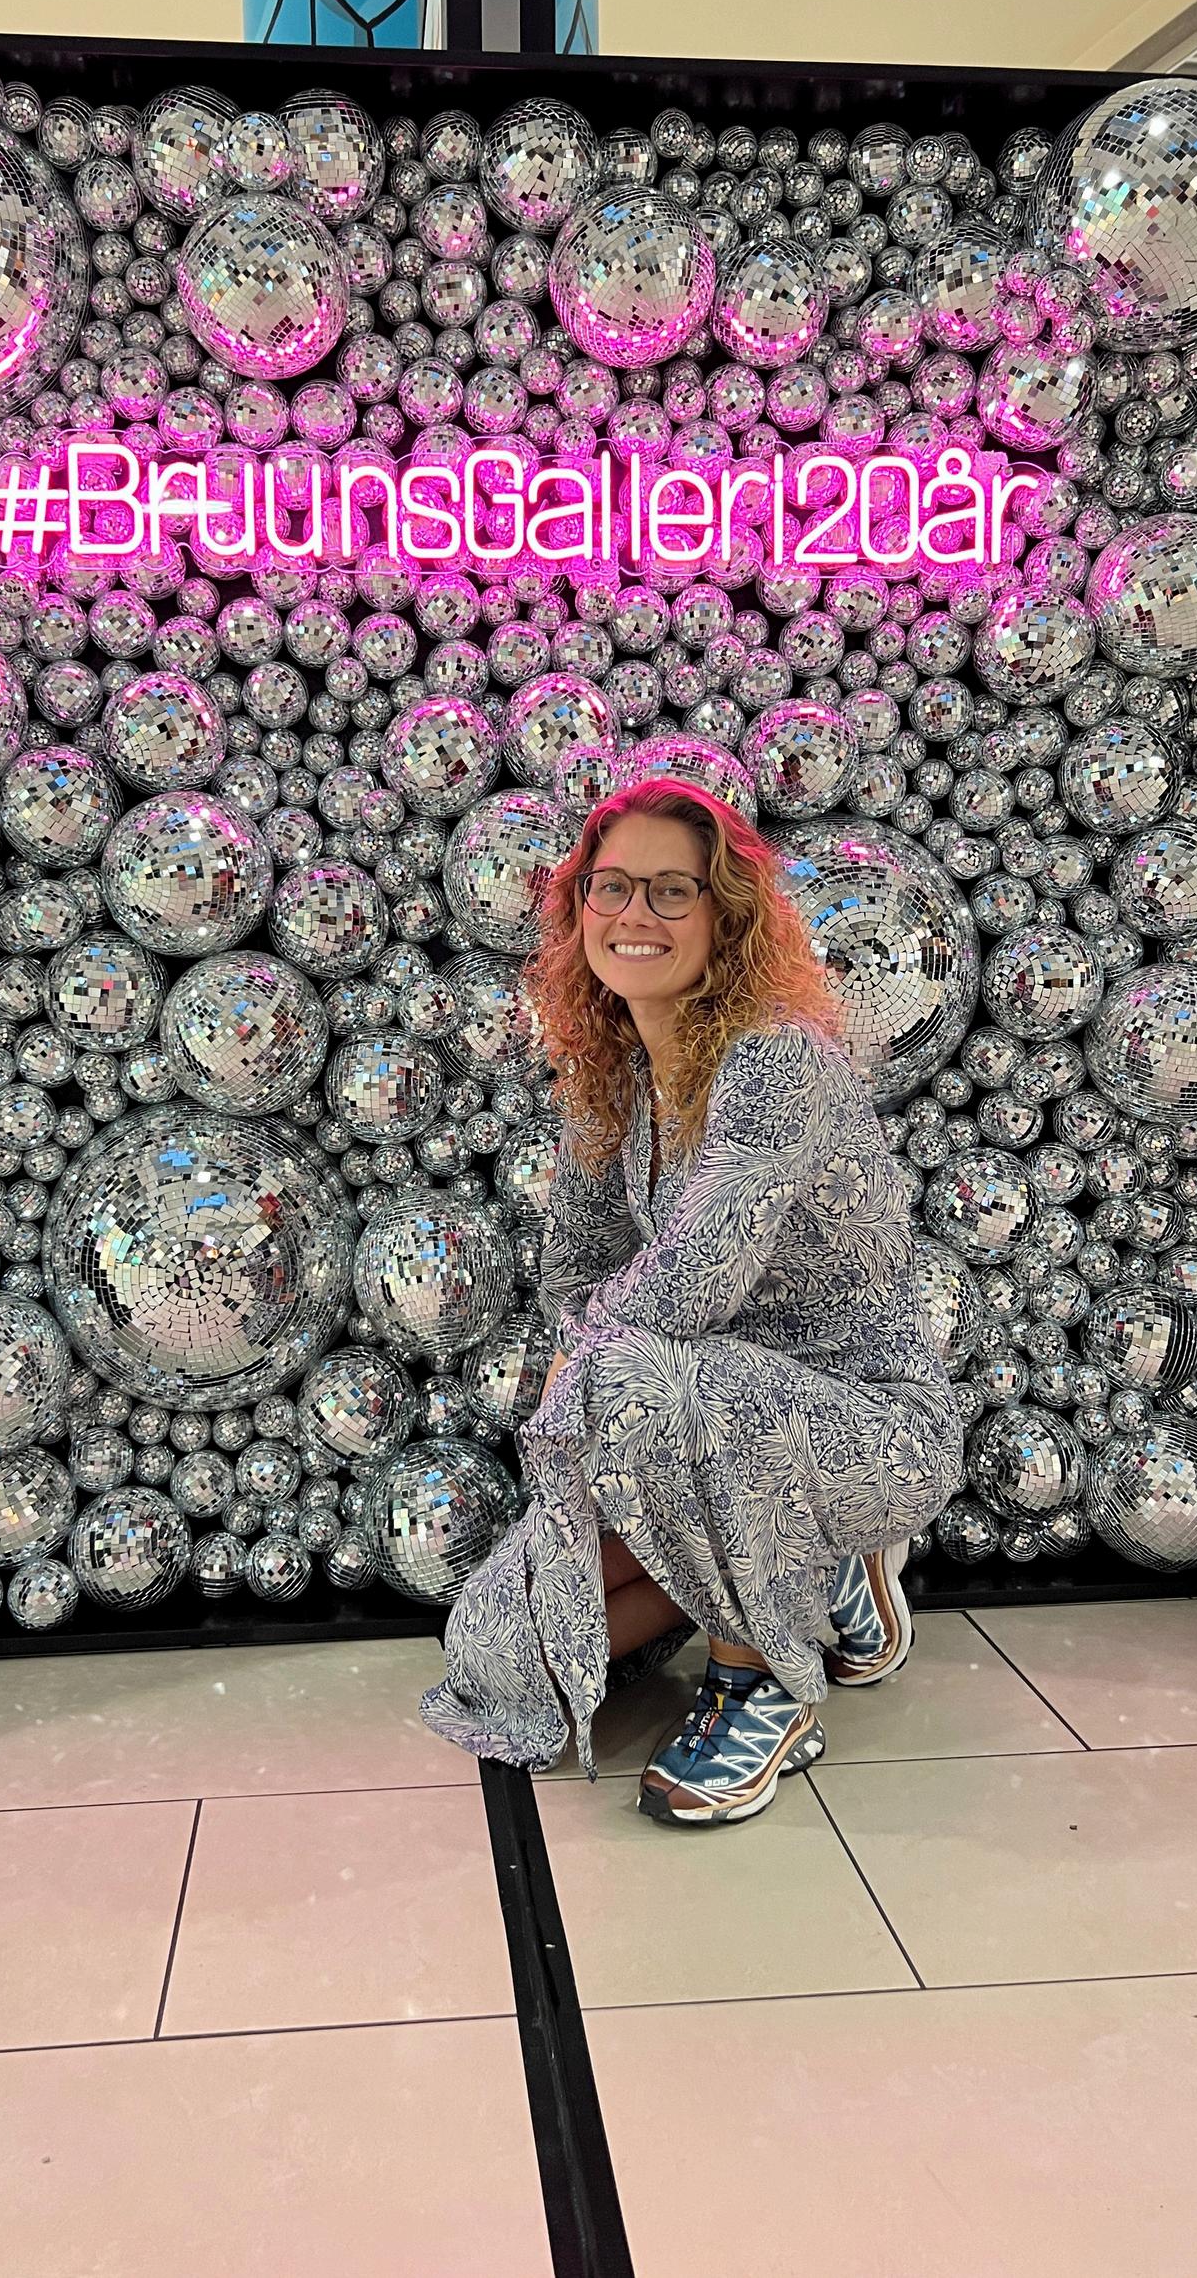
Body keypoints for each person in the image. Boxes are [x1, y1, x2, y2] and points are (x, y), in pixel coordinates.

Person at [420, 778, 962, 1826]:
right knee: (496, 1645)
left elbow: (692, 1281)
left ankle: (761, 1684)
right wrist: (592, 1393)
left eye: (673, 890)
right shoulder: (613, 1075)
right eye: (611, 886)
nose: (636, 914)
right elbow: (575, 1276)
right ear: (579, 907)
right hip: (686, 1433)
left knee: (640, 1371)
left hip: (865, 1428)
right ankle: (810, 1570)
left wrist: (590, 1381)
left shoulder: (778, 1058)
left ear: (727, 915)